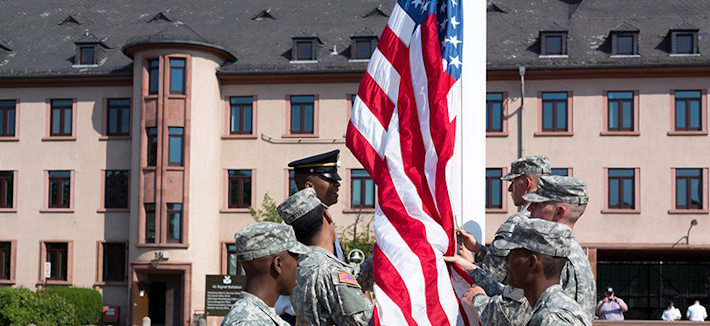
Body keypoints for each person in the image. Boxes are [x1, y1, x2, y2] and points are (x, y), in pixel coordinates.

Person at [461, 175, 596, 325]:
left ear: (559, 213)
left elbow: (509, 316)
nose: (529, 208)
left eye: (538, 204)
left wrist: (478, 300)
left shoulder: (550, 256)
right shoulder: (575, 255)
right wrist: (473, 266)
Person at [447, 219, 591, 326]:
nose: (505, 260)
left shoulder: (552, 319)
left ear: (531, 263)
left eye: (512, 254)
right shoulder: (551, 307)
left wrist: (478, 299)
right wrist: (470, 269)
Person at [278, 188, 373, 325]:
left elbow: (350, 277)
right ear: (327, 216)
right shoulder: (326, 270)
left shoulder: (301, 264)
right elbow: (367, 321)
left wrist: (378, 261)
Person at [276, 150, 345, 323]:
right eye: (330, 179)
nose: (337, 184)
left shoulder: (325, 225)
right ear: (309, 188)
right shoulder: (295, 229)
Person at [221, 222, 310, 326]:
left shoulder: (256, 317)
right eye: (295, 259)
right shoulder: (248, 322)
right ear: (278, 264)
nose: (298, 266)